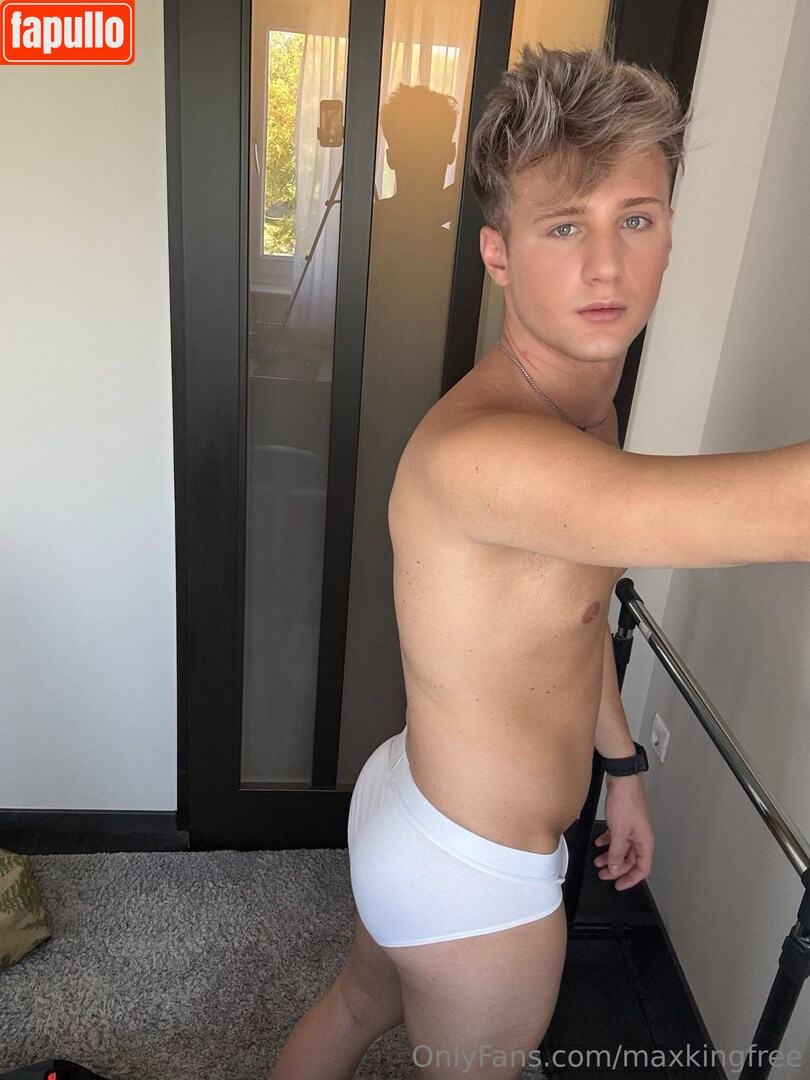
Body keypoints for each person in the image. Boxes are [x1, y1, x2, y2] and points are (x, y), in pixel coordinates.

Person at [271, 41, 810, 1080]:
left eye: (635, 220)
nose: (606, 266)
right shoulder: (493, 455)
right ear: (499, 254)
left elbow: (573, 611)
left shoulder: (585, 413)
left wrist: (623, 769)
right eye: (565, 226)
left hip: (416, 798)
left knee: (357, 1006)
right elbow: (789, 514)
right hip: (471, 870)